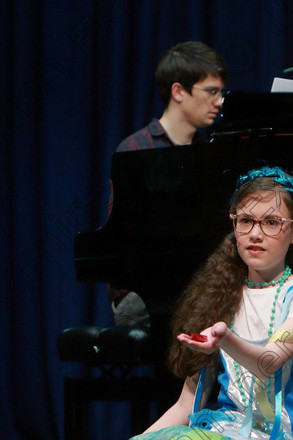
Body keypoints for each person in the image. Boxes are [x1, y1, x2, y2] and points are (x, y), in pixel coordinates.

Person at [53, 166, 293, 440]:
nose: (255, 233)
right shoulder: (220, 297)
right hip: (229, 437)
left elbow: (269, 361)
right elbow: (184, 406)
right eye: (245, 221)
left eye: (271, 222)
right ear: (233, 225)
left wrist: (225, 338)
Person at [111, 41, 229, 326]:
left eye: (221, 93)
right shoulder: (136, 149)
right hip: (141, 295)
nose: (219, 101)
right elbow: (124, 239)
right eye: (211, 92)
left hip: (195, 288)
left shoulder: (212, 155)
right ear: (178, 91)